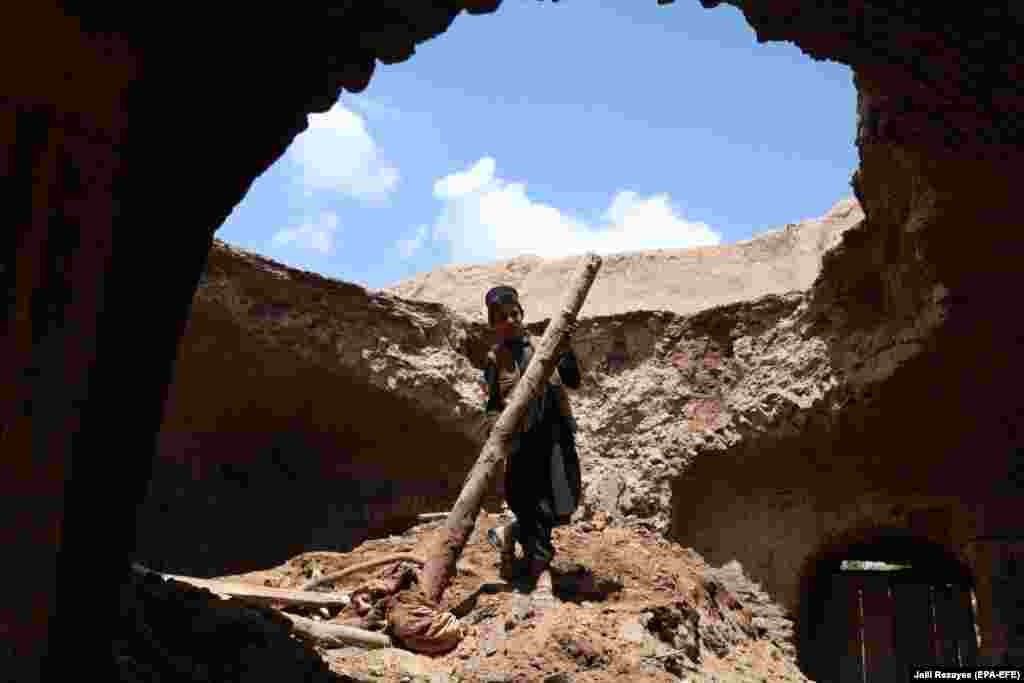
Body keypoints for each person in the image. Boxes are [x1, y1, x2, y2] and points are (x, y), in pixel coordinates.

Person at [478, 285, 583, 602]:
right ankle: (541, 574)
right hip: (523, 444)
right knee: (534, 505)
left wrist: (565, 349)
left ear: (522, 315)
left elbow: (573, 380)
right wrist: (497, 431)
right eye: (502, 317)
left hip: (555, 438)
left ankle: (511, 533)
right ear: (493, 324)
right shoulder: (495, 359)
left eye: (514, 314)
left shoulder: (545, 345)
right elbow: (492, 404)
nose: (510, 321)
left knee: (563, 501)